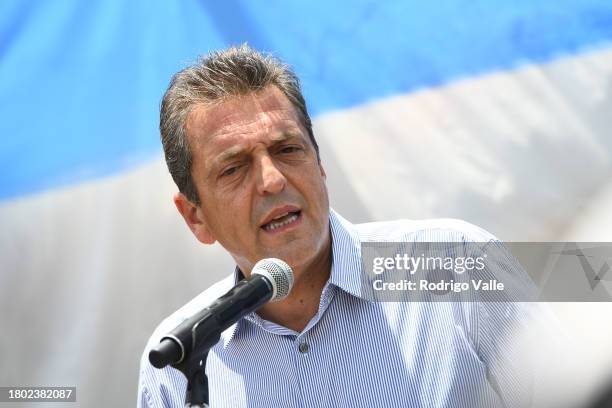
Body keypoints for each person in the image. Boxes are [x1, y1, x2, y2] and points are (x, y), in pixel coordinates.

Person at [138, 44, 536, 407]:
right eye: (234, 169)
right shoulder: (176, 356)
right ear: (196, 217)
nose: (273, 180)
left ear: (320, 162)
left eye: (288, 149)